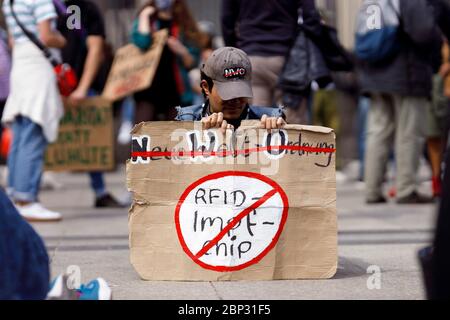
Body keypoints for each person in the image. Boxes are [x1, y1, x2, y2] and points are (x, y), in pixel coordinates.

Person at [358, 0, 439, 204]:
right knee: (410, 133)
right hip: (406, 72)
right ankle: (406, 189)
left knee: (378, 132)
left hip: (375, 73)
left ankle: (372, 189)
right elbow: (424, 31)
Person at [2, 0, 66, 221]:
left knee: (21, 136)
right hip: (37, 69)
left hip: (21, 68)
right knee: (33, 134)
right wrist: (62, 40)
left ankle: (15, 194)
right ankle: (26, 199)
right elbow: (47, 36)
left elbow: (12, 40)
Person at [55, 0, 123, 208]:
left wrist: (82, 87)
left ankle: (100, 190)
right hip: (58, 82)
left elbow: (95, 49)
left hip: (74, 83)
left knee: (92, 136)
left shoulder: (83, 7)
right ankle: (27, 193)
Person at [221, 0, 321, 124]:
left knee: (255, 122)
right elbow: (311, 15)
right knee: (292, 124)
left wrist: (235, 54)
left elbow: (227, 20)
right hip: (287, 59)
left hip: (251, 58)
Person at [130, 0, 205, 123]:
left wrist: (181, 50)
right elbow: (142, 42)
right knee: (142, 136)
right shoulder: (148, 20)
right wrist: (144, 16)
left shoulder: (183, 23)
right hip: (147, 91)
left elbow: (192, 62)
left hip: (175, 93)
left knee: (176, 137)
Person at [175, 46, 285, 130]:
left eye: (241, 91)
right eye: (228, 93)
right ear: (206, 87)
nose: (236, 100)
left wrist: (280, 133)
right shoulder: (187, 121)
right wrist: (199, 133)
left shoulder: (271, 120)